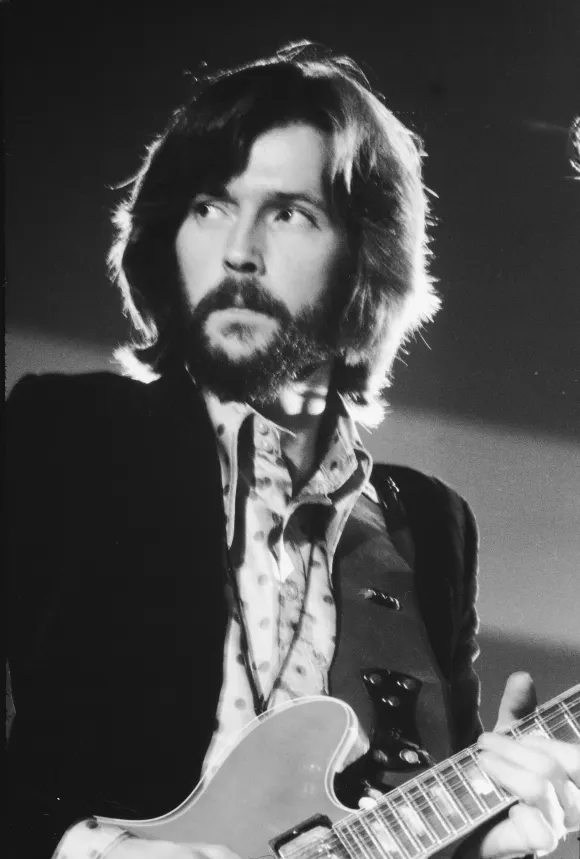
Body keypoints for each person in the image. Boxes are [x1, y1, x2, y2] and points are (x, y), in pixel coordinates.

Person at [5, 41, 579, 859]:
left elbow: (381, 824)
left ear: (366, 260)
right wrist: (83, 847)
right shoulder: (65, 437)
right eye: (209, 205)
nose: (238, 249)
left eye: (288, 212)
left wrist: (494, 843)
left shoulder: (431, 526)